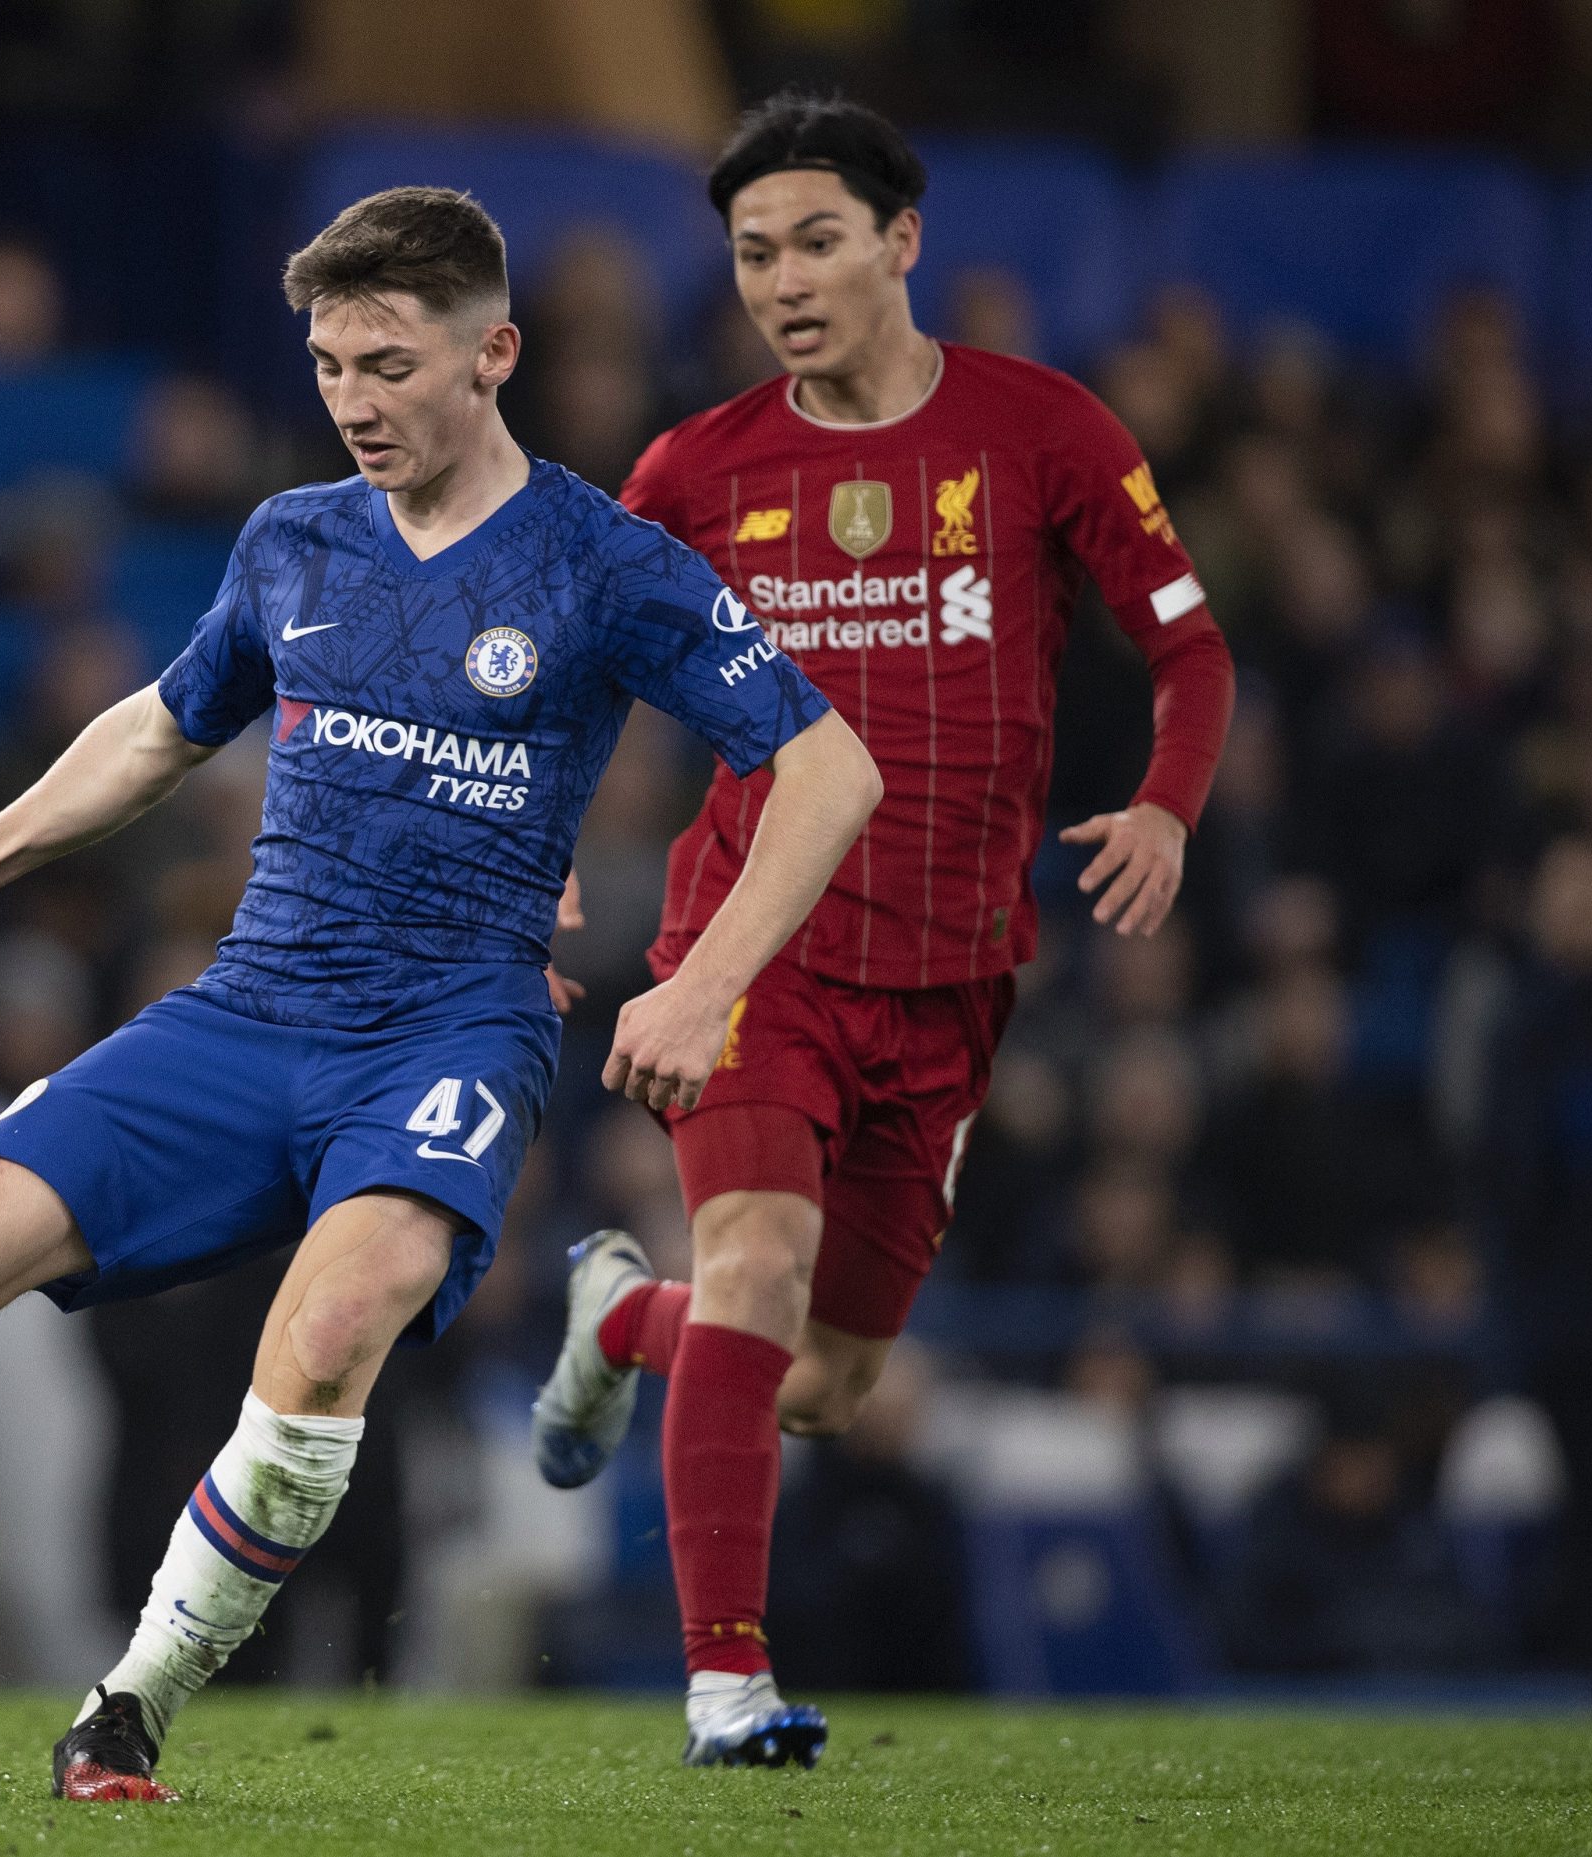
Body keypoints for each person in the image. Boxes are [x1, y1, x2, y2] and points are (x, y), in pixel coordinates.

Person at [0, 185, 879, 1800]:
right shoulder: (293, 538)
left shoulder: (607, 564)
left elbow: (829, 767)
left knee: (322, 1341)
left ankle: (128, 1705)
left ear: (495, 354)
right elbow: (161, 725)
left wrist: (705, 987)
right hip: (251, 1004)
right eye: (329, 364)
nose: (354, 400)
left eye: (389, 363)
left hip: (447, 1032)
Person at [529, 92, 1235, 1764]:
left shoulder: (1047, 430)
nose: (784, 278)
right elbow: (573, 681)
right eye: (755, 253)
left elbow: (1193, 649)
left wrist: (1165, 804)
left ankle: (623, 1320)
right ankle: (725, 1684)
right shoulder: (695, 469)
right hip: (751, 948)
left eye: (818, 241)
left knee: (830, 1376)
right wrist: (539, 859)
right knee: (758, 1266)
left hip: (954, 979)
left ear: (902, 242)